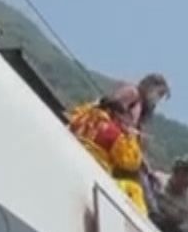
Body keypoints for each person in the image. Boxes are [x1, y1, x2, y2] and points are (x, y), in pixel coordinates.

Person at [66, 74, 167, 217]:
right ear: (151, 87)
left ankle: (154, 212)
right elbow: (111, 103)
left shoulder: (142, 109)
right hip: (104, 142)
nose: (157, 99)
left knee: (145, 179)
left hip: (115, 147)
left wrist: (148, 169)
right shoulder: (133, 93)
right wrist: (125, 127)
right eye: (159, 94)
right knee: (134, 187)